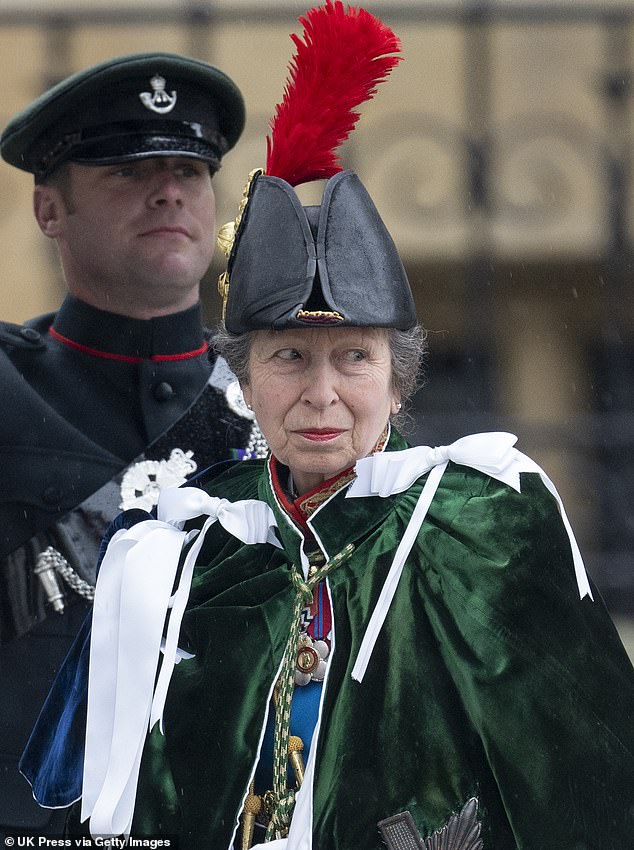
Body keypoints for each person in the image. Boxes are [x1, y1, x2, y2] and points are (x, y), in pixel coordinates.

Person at [20, 5, 634, 849]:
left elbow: (585, 792)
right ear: (242, 375)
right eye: (287, 359)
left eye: (354, 358)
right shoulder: (185, 550)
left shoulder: (489, 520)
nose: (322, 395)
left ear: (398, 376)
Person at [0, 52, 266, 836]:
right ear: (50, 210)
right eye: (128, 170)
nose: (169, 189)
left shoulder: (289, 399)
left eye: (189, 167)